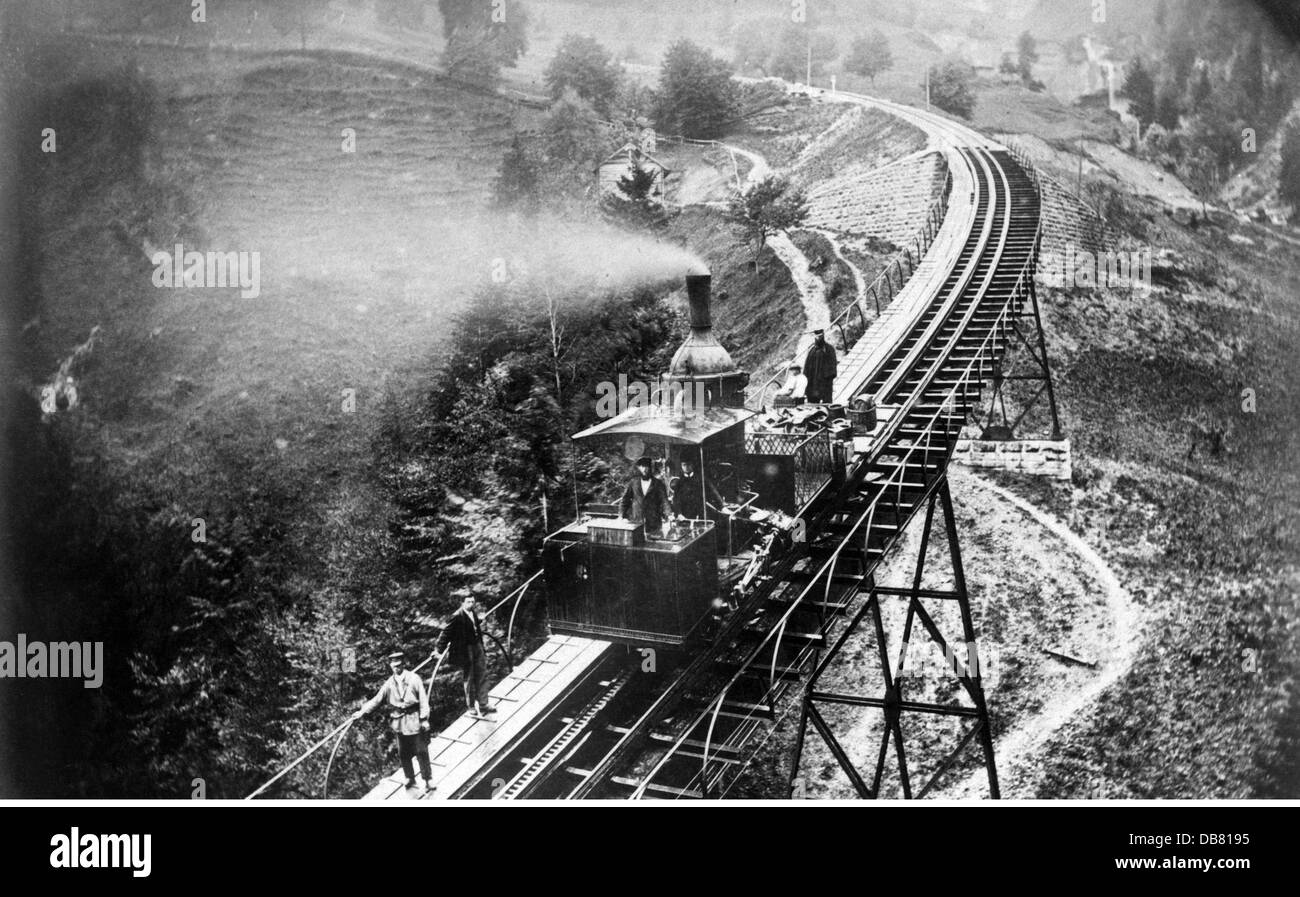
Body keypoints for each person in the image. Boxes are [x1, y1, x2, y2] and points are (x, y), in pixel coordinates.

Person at [353, 651, 433, 791]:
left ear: (403, 664)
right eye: (394, 666)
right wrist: (362, 712)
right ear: (391, 666)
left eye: (399, 665)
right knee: (403, 753)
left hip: (415, 721)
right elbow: (377, 699)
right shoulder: (389, 684)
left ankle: (428, 780)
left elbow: (423, 700)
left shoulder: (414, 679)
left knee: (421, 751)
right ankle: (410, 778)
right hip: (400, 723)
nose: (397, 668)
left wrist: (424, 719)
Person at [436, 592, 496, 719]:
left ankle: (484, 704)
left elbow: (470, 626)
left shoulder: (472, 612)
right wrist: (438, 650)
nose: (471, 604)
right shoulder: (457, 616)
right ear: (462, 603)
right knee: (469, 678)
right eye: (468, 602)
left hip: (477, 646)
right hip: (466, 649)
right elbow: (446, 633)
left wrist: (479, 620)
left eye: (472, 602)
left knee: (482, 673)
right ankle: (471, 707)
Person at [620, 456, 668, 536]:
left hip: (654, 523)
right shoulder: (633, 483)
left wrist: (669, 514)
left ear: (650, 467)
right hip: (636, 522)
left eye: (646, 466)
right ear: (639, 468)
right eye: (642, 466)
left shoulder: (658, 484)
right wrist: (622, 516)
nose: (644, 469)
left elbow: (664, 501)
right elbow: (625, 500)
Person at [673, 456, 724, 521]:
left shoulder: (701, 479)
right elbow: (676, 500)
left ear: (692, 465)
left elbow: (713, 492)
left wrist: (722, 507)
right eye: (684, 465)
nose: (686, 467)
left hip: (701, 513)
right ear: (681, 466)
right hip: (686, 515)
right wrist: (679, 513)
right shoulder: (679, 482)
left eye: (688, 464)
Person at [803, 329, 838, 403]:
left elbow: (833, 363)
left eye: (820, 336)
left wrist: (828, 377)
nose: (819, 338)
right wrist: (806, 377)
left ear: (823, 336)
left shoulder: (829, 349)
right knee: (812, 399)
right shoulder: (812, 350)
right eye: (817, 337)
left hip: (824, 380)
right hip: (813, 380)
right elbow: (807, 365)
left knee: (826, 400)